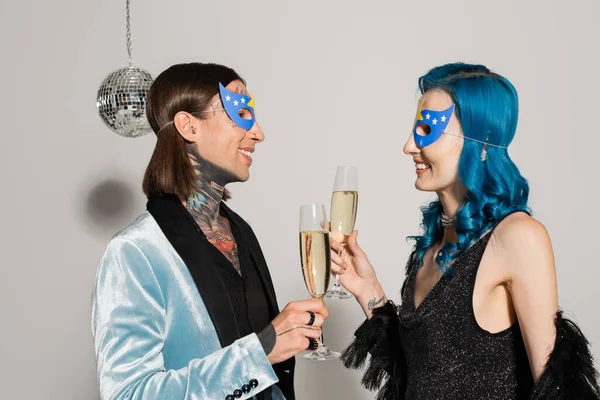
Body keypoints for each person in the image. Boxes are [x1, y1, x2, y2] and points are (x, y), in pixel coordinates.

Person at [331, 62, 600, 399]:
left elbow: (554, 390)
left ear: (483, 142)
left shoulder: (517, 237)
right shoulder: (430, 248)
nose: (409, 146)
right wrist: (368, 289)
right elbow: (419, 377)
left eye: (427, 130)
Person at [91, 62, 328, 400]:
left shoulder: (240, 231)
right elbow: (128, 394)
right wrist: (258, 353)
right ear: (189, 126)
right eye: (241, 113)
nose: (258, 132)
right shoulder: (135, 251)